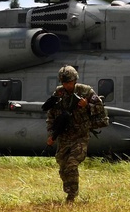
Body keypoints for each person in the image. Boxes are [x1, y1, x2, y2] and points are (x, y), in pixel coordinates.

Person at [45, 65, 108, 203]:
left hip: (80, 135)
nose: (67, 85)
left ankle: (71, 196)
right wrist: (51, 133)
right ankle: (69, 189)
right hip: (64, 136)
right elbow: (51, 113)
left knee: (72, 164)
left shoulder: (86, 91)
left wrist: (87, 105)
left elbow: (100, 108)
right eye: (64, 83)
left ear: (75, 80)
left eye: (69, 82)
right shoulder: (59, 93)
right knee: (62, 165)